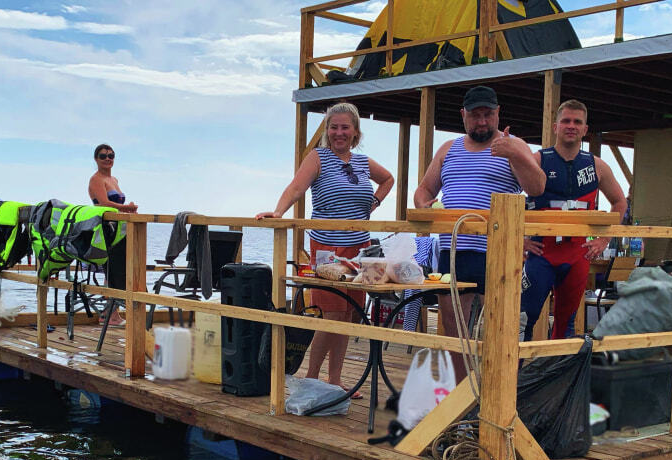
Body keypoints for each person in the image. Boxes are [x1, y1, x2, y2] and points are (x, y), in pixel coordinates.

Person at [256, 103, 394, 394]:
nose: (339, 133)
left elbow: (388, 179)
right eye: (334, 127)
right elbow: (296, 188)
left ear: (356, 132)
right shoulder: (318, 157)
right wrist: (279, 212)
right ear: (327, 131)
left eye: (345, 127)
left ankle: (334, 379)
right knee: (331, 316)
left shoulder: (362, 162)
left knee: (350, 314)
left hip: (361, 249)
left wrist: (375, 203)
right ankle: (311, 376)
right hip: (327, 249)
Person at [412, 85, 546, 379]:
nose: (482, 122)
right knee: (454, 328)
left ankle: (493, 397)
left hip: (496, 252)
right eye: (475, 116)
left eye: (488, 115)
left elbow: (537, 187)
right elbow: (423, 190)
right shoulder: (448, 149)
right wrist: (424, 205)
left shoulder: (515, 144)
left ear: (498, 114)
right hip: (453, 250)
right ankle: (462, 399)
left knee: (498, 328)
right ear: (463, 116)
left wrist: (516, 155)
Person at [507, 100, 627, 340]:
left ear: (584, 129)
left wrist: (604, 240)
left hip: (577, 255)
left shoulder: (596, 166)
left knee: (566, 325)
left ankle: (557, 375)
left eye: (577, 122)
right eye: (566, 121)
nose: (571, 126)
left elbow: (620, 202)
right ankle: (515, 376)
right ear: (555, 127)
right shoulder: (538, 159)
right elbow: (509, 199)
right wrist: (519, 239)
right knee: (523, 319)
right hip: (542, 254)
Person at [87, 143, 137, 321]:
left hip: (120, 229)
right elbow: (103, 203)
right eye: (103, 156)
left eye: (111, 155)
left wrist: (128, 211)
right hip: (106, 229)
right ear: (96, 159)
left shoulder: (114, 179)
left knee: (120, 269)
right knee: (112, 269)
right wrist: (126, 208)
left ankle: (112, 311)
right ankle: (110, 313)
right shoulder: (96, 179)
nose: (108, 159)